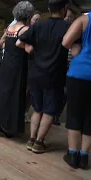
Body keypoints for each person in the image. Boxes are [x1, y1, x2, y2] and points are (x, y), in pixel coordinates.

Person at [17, 0, 69, 153]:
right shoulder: (67, 26)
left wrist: (30, 49)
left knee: (37, 109)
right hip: (54, 74)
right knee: (49, 111)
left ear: (48, 8)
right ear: (64, 9)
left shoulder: (39, 24)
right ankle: (39, 143)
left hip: (36, 73)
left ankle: (31, 139)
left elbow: (20, 41)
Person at [0, 1, 34, 137]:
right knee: (15, 94)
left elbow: (1, 43)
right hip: (18, 66)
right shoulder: (25, 30)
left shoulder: (10, 28)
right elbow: (30, 49)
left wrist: (10, 49)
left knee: (3, 92)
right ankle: (9, 127)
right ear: (28, 15)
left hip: (6, 64)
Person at [62, 12, 90, 169]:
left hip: (79, 72)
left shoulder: (85, 19)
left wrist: (77, 44)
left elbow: (66, 42)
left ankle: (73, 154)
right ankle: (84, 156)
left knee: (74, 112)